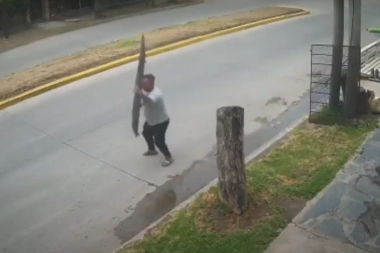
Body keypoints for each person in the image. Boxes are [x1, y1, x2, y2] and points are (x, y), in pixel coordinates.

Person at [134, 73, 173, 167]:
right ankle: (152, 150)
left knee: (159, 142)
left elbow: (150, 101)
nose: (142, 86)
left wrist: (139, 94)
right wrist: (141, 103)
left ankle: (169, 157)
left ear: (151, 84)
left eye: (145, 84)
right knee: (146, 133)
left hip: (160, 122)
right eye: (142, 83)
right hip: (151, 121)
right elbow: (146, 100)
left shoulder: (157, 94)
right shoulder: (146, 90)